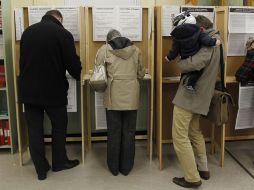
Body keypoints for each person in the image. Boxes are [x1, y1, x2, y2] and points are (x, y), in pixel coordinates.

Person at [19, 10, 82, 180]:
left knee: (34, 129)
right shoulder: (62, 33)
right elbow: (72, 64)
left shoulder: (27, 32)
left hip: (28, 90)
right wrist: (79, 73)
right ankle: (59, 162)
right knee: (59, 126)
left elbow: (22, 61)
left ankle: (41, 169)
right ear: (59, 19)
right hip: (53, 90)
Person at [171, 15, 222, 188]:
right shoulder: (217, 40)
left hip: (190, 97)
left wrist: (180, 62)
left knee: (179, 136)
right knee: (194, 132)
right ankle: (203, 169)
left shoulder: (210, 43)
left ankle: (192, 178)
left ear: (200, 29)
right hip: (201, 96)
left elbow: (195, 63)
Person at [94, 29, 145, 176]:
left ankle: (113, 168)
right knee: (129, 132)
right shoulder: (136, 50)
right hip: (131, 96)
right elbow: (141, 74)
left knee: (114, 132)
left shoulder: (104, 49)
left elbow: (98, 73)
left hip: (112, 95)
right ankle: (126, 168)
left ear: (108, 40)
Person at [165, 11, 220, 91]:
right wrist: (215, 42)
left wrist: (169, 57)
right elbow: (206, 40)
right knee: (197, 71)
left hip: (184, 58)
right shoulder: (199, 33)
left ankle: (185, 83)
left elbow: (174, 50)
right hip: (194, 57)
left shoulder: (177, 37)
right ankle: (190, 84)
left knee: (186, 73)